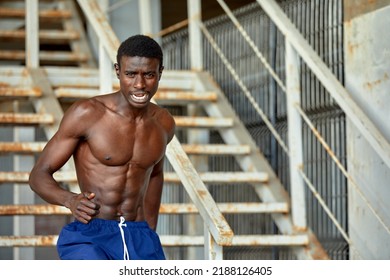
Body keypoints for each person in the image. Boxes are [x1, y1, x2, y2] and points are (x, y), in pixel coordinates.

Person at [29, 34, 175, 260]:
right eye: (130, 74)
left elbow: (155, 173)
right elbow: (38, 175)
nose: (139, 84)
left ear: (160, 73)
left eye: (149, 75)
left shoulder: (164, 123)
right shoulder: (88, 113)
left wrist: (149, 229)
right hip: (92, 234)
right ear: (118, 71)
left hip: (139, 235)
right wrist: (70, 200)